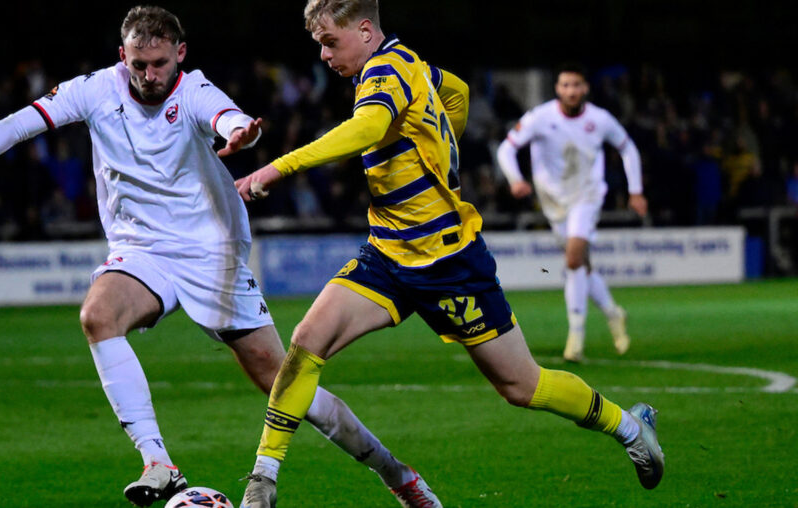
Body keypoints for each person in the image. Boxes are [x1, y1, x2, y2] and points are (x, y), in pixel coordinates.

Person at [0, 6, 419, 507]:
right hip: (141, 249)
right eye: (139, 65)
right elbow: (22, 121)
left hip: (212, 252)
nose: (149, 76)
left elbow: (226, 115)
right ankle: (158, 462)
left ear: (180, 55)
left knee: (282, 383)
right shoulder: (96, 89)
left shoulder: (194, 91)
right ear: (122, 56)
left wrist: (239, 132)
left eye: (160, 64)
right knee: (98, 316)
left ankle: (395, 473)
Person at [233, 2, 664, 506]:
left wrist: (275, 169)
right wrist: (442, 143)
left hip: (449, 262)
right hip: (389, 255)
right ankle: (263, 480)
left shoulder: (385, 70)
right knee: (307, 341)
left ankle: (631, 429)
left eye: (331, 42)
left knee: (522, 386)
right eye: (320, 46)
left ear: (366, 31)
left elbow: (367, 129)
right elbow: (454, 90)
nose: (325, 55)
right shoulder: (407, 63)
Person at [495, 63, 647, 362]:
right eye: (565, 85)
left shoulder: (600, 120)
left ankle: (575, 337)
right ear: (557, 89)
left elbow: (628, 148)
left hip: (587, 197)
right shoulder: (540, 117)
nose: (571, 91)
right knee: (582, 266)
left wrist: (636, 190)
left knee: (573, 258)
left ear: (585, 88)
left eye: (576, 85)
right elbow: (506, 149)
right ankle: (614, 313)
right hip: (554, 203)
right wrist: (515, 179)